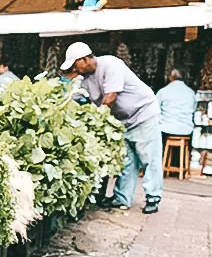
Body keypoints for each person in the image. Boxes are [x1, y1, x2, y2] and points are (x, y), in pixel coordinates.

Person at [62, 42, 162, 214]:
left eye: (75, 65)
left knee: (149, 158)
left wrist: (97, 121)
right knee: (126, 161)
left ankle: (153, 197)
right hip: (122, 121)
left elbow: (110, 98)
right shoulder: (85, 80)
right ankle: (122, 199)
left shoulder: (110, 64)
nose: (75, 70)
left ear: (84, 59)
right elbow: (85, 101)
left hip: (143, 114)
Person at [156, 68, 196, 147]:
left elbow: (154, 109)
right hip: (186, 130)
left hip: (166, 129)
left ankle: (163, 157)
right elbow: (194, 110)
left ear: (170, 77)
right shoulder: (191, 92)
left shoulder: (163, 91)